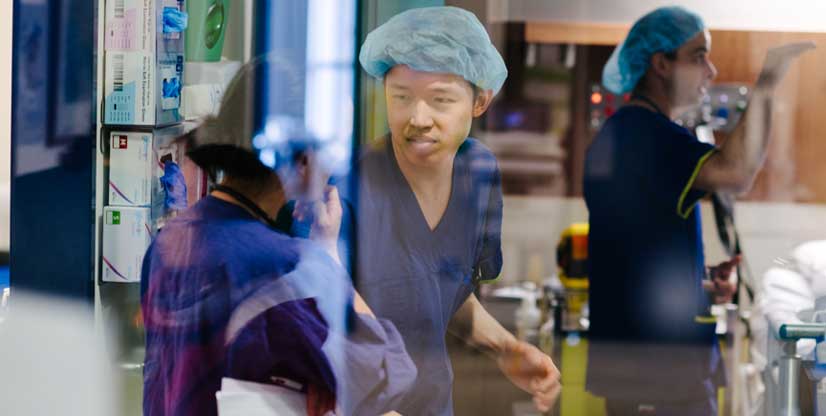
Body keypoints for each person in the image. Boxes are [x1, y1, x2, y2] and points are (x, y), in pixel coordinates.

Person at [140, 55, 416, 416]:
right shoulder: (287, 265)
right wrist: (328, 254)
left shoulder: (170, 240)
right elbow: (390, 373)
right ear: (303, 160)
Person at [584, 6, 813, 415]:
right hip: (657, 374)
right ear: (660, 64)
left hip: (651, 367)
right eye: (698, 56)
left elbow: (634, 253)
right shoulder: (647, 136)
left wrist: (699, 284)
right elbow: (735, 172)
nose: (711, 69)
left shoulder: (631, 133)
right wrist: (766, 84)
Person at [354, 6, 560, 415]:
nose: (418, 118)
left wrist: (505, 349)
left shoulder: (477, 175)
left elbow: (442, 289)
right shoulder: (354, 184)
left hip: (432, 403)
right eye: (401, 98)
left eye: (440, 100)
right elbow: (316, 312)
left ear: (480, 100)